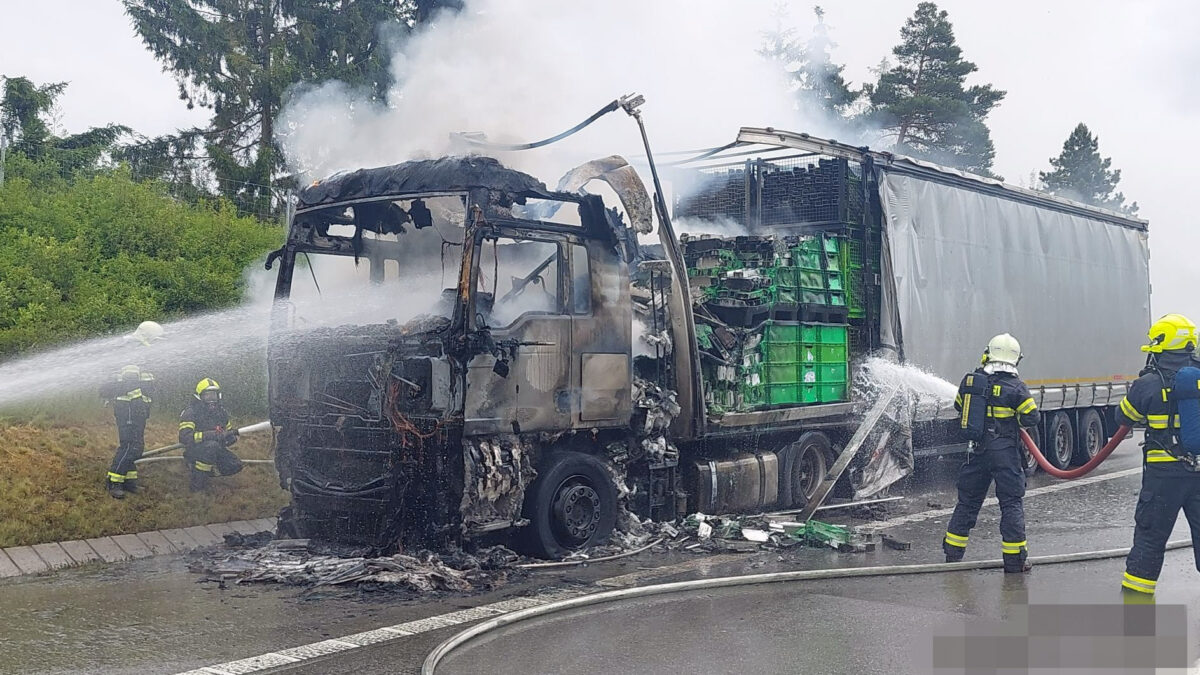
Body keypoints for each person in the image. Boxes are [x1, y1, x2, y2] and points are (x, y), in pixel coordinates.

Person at [943, 333, 1041, 573]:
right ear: (1015, 360)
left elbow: (958, 405)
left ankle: (952, 554)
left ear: (988, 354)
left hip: (977, 451)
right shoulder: (1016, 388)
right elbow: (1032, 417)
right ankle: (1015, 562)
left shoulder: (971, 382)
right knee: (1011, 503)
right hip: (1004, 453)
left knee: (968, 502)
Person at [1118, 314, 1200, 598]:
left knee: (1150, 539)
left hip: (1163, 477)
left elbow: (1123, 417)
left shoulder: (1150, 383)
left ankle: (1137, 606)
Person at [100, 321, 165, 499]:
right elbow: (130, 382)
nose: (157, 343)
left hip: (134, 407)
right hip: (129, 407)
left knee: (134, 445)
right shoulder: (134, 349)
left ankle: (128, 480)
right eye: (155, 339)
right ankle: (114, 480)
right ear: (147, 336)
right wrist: (138, 404)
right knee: (131, 445)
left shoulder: (140, 350)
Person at [179, 378, 243, 492]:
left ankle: (208, 471)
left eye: (214, 395)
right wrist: (209, 435)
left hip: (216, 449)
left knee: (235, 465)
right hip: (194, 450)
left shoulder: (221, 413)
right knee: (210, 447)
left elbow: (228, 431)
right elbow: (185, 437)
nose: (211, 399)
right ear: (200, 397)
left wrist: (230, 438)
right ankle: (197, 485)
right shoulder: (191, 412)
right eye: (207, 396)